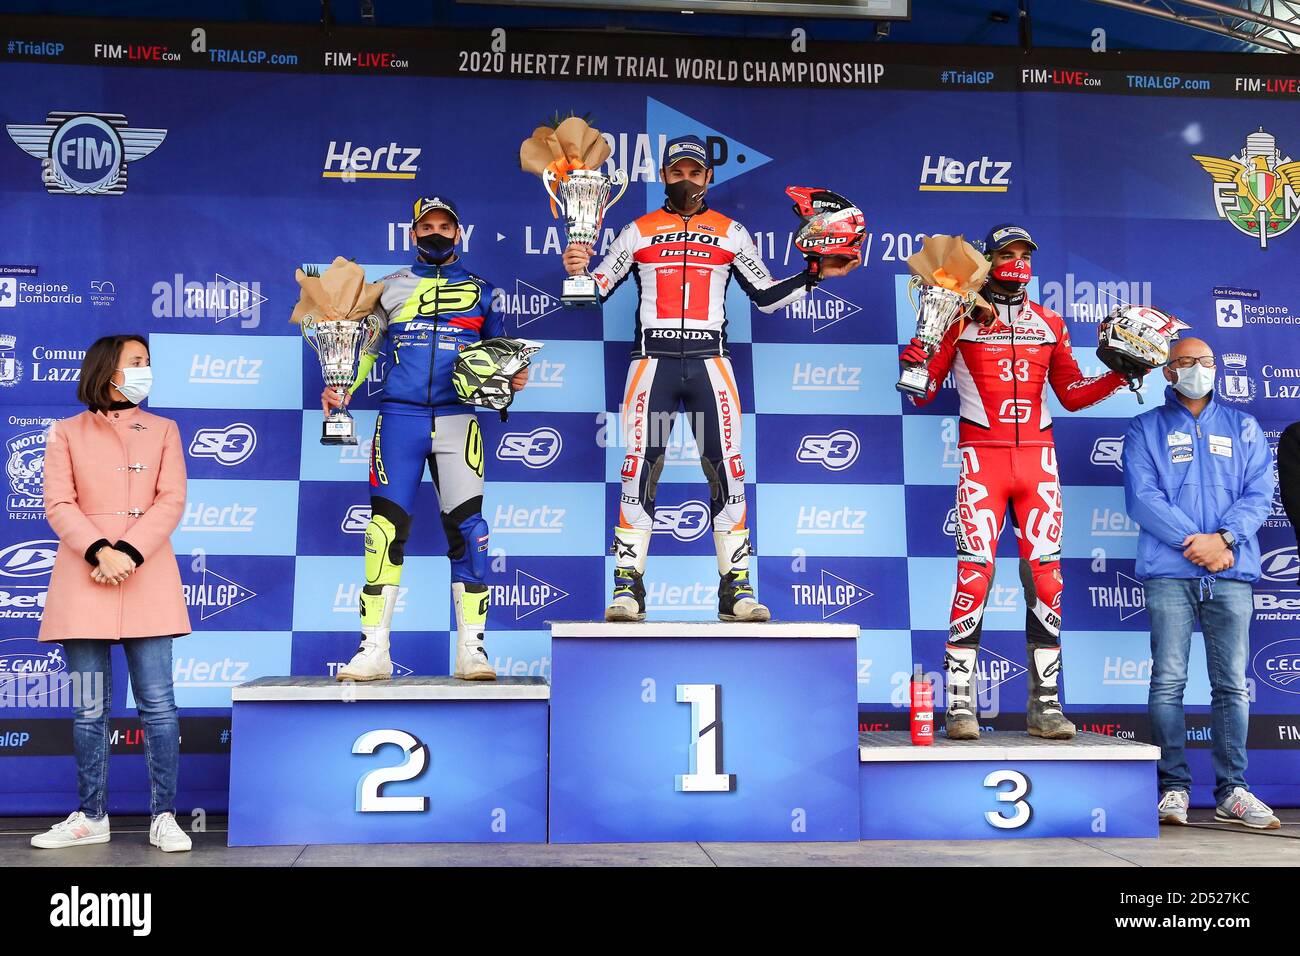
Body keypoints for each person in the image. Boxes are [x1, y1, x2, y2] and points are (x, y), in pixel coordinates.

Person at [562, 134, 859, 622]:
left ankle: (736, 589)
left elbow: (764, 294)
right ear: (663, 176)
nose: (685, 180)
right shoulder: (637, 231)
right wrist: (576, 269)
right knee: (639, 468)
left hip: (710, 365)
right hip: (652, 365)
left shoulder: (730, 232)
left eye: (694, 172)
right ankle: (628, 588)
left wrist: (814, 276)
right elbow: (594, 290)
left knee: (728, 470)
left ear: (708, 177)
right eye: (676, 172)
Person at [900, 224, 1133, 740]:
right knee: (973, 577)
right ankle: (960, 706)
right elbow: (922, 391)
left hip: (1038, 464)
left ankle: (1045, 707)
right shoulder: (957, 316)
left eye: (1026, 253)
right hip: (981, 461)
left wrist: (1120, 374)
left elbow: (1071, 394)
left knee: (1047, 580)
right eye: (1007, 252)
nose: (1018, 261)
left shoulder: (1050, 322)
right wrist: (917, 354)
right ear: (987, 259)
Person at [324, 196, 527, 682]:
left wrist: (512, 376)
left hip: (459, 419)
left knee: (471, 533)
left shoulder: (484, 291)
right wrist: (343, 387)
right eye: (427, 226)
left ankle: (472, 652)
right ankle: (373, 650)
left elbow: (500, 357)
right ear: (413, 234)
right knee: (382, 534)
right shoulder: (387, 288)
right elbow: (367, 349)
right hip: (399, 419)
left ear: (459, 233)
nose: (436, 233)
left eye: (445, 226)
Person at [31, 334, 193, 852]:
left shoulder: (165, 429)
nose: (146, 370)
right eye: (137, 362)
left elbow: (171, 500)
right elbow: (58, 503)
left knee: (159, 707)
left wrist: (129, 552)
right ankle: (90, 816)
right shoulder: (66, 432)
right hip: (85, 580)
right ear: (107, 369)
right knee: (88, 707)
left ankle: (165, 816)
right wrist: (102, 551)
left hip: (147, 578)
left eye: (148, 363)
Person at [1123, 336, 1280, 829]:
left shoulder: (1244, 426)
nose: (1197, 369)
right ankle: (1173, 790)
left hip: (1230, 571)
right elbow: (1142, 497)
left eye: (1205, 362)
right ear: (1168, 372)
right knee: (1168, 682)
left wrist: (1225, 539)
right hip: (1171, 571)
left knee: (1231, 685)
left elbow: (1260, 491)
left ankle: (1234, 790)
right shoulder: (1145, 427)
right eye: (1187, 362)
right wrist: (1197, 542)